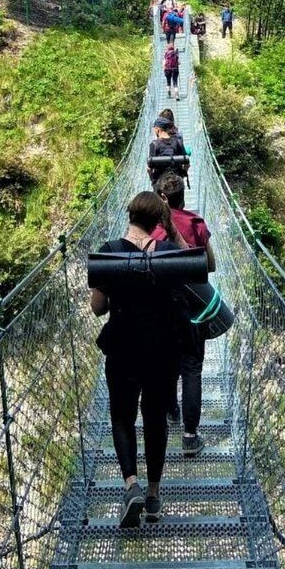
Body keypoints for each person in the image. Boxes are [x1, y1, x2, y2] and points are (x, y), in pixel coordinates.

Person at [90, 191, 190, 526]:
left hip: (123, 347)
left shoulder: (109, 252)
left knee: (122, 417)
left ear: (129, 215)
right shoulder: (171, 253)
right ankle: (153, 494)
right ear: (157, 221)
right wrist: (171, 227)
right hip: (163, 350)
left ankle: (130, 484)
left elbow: (98, 308)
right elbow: (193, 267)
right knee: (155, 420)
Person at [150, 171, 214, 455]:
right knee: (192, 369)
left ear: (161, 198)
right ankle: (190, 436)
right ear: (183, 196)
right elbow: (209, 265)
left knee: (166, 364)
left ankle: (171, 411)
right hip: (195, 309)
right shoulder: (196, 223)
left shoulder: (151, 228)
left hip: (163, 308)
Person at [148, 115, 189, 186]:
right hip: (177, 181)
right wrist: (182, 176)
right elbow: (187, 164)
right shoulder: (178, 142)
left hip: (160, 183)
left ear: (157, 129)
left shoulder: (154, 144)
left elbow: (150, 169)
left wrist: (153, 181)